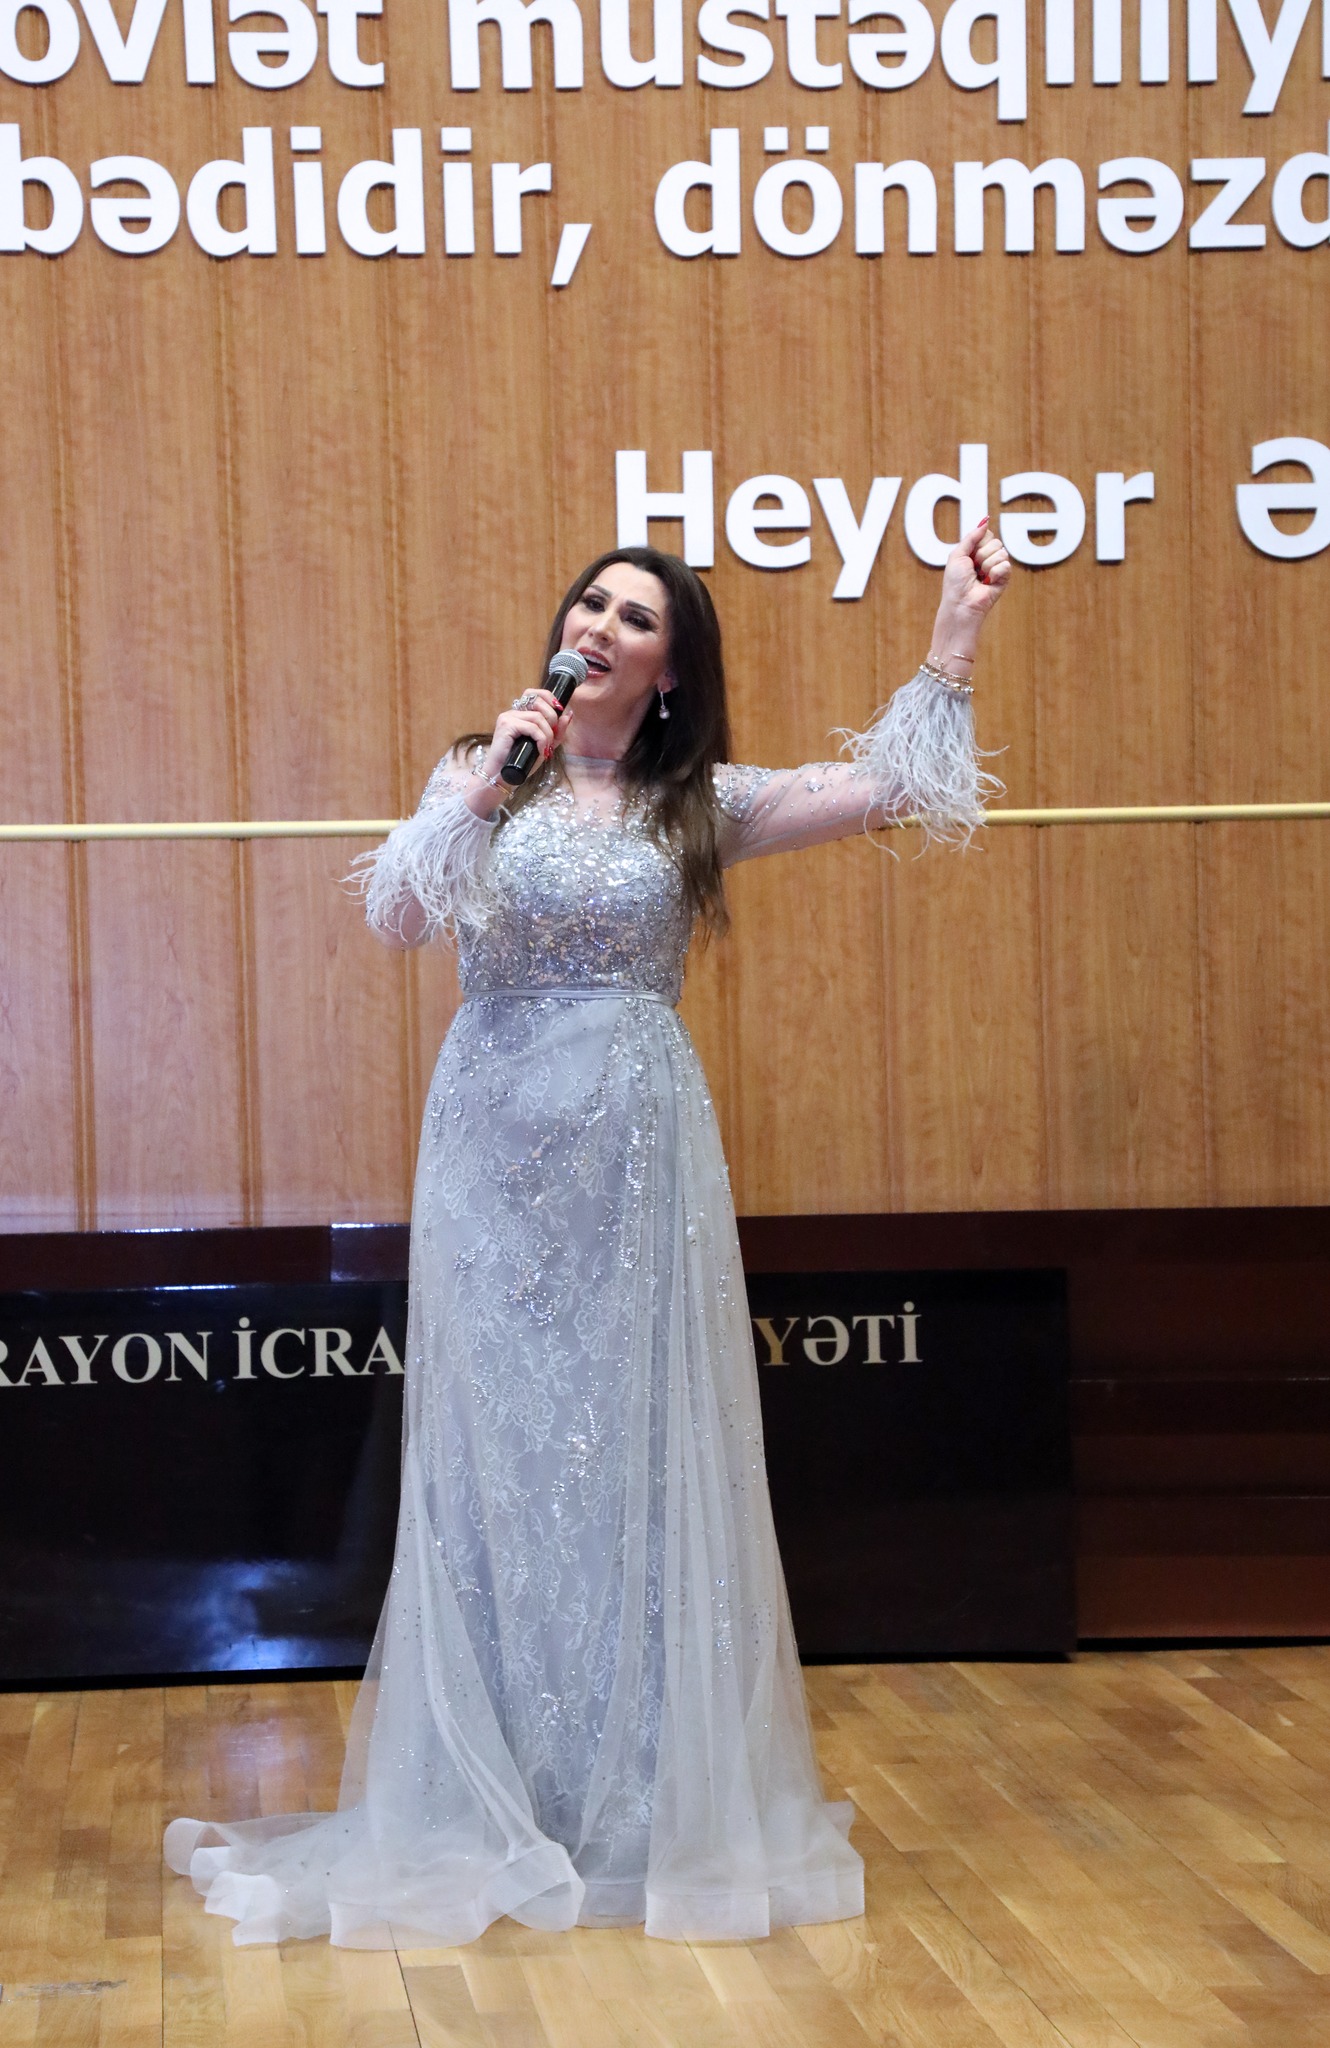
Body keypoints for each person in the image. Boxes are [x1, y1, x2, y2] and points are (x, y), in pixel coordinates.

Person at [165, 522, 1012, 1947]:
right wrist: (487, 787)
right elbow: (395, 916)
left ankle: (632, 1790)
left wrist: (954, 636)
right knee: (499, 1452)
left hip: (635, 1146)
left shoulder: (700, 805)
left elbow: (898, 791)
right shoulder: (482, 768)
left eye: (635, 616)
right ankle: (489, 1789)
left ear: (670, 669)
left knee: (630, 1449)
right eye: (590, 605)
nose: (601, 626)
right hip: (491, 1145)